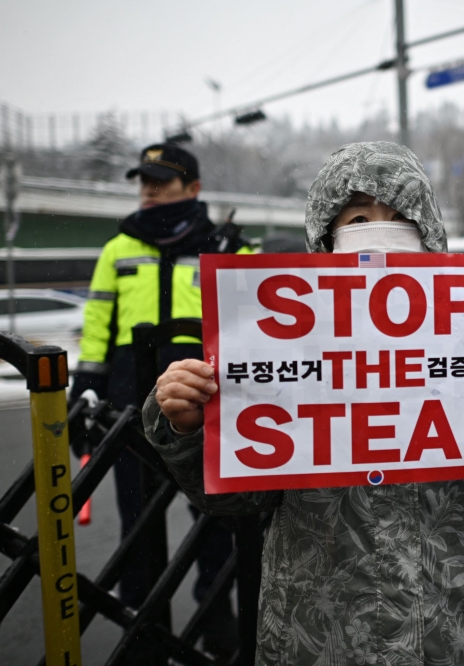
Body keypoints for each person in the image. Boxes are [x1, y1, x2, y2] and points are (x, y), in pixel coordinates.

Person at [144, 141, 464, 665]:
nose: (381, 229)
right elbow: (236, 502)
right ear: (326, 236)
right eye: (357, 216)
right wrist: (191, 429)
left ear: (429, 230)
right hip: (322, 631)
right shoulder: (273, 343)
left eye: (401, 215)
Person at [71, 143, 249, 655]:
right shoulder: (117, 248)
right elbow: (97, 328)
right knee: (137, 525)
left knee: (216, 520)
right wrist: (86, 388)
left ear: (193, 189)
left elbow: (260, 329)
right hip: (128, 406)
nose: (148, 190)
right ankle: (141, 627)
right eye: (143, 181)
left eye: (160, 181)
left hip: (209, 404)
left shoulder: (229, 247)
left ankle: (218, 627)